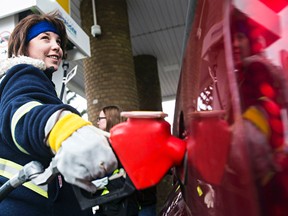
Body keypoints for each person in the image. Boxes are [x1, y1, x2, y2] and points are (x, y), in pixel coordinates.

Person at [0, 12, 118, 216]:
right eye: (45, 38)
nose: (56, 46)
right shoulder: (23, 74)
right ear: (23, 46)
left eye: (58, 41)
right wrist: (63, 128)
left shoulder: (37, 83)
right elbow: (21, 111)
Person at [229, 8, 288, 216]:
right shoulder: (244, 75)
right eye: (231, 39)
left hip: (270, 186)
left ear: (251, 40)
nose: (235, 44)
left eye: (240, 37)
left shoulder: (256, 71)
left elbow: (248, 143)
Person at [96, 105, 139, 216]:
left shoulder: (122, 144)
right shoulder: (109, 144)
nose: (97, 122)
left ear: (110, 119)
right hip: (111, 204)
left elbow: (125, 177)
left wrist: (103, 182)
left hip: (122, 206)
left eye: (100, 119)